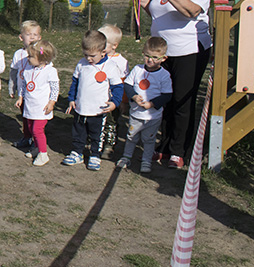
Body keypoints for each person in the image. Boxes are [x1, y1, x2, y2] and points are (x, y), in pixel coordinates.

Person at [132, 0, 212, 169]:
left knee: (181, 100)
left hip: (189, 51)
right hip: (163, 52)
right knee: (164, 97)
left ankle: (179, 150)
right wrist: (144, 0)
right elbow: (159, 13)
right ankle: (164, 146)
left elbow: (192, 11)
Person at [63, 30, 124, 171]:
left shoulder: (110, 67)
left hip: (98, 110)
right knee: (78, 132)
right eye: (85, 55)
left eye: (92, 56)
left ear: (103, 52)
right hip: (81, 108)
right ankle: (77, 152)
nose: (88, 59)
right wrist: (72, 99)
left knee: (97, 134)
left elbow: (118, 87)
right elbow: (75, 83)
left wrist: (115, 102)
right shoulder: (81, 64)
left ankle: (95, 155)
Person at [116, 37, 173, 173]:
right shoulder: (137, 69)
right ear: (143, 53)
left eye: (155, 57)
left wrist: (152, 104)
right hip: (136, 114)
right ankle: (126, 157)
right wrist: (134, 96)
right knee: (131, 137)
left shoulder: (164, 75)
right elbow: (128, 85)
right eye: (147, 56)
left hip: (152, 117)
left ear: (163, 58)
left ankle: (146, 161)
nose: (150, 60)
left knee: (149, 140)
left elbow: (167, 95)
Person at [15, 40, 59, 166]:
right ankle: (36, 148)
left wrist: (52, 102)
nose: (28, 58)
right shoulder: (28, 70)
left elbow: (55, 89)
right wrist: (20, 97)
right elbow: (24, 85)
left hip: (42, 107)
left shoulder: (50, 71)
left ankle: (43, 154)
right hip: (30, 106)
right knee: (30, 127)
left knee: (37, 130)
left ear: (42, 58)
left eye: (31, 56)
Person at [8, 20, 41, 148]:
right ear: (21, 37)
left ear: (39, 37)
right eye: (28, 34)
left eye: (35, 35)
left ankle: (36, 139)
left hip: (36, 93)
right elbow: (13, 71)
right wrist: (12, 87)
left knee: (35, 117)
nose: (32, 37)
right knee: (25, 116)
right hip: (23, 92)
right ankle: (27, 137)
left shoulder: (41, 52)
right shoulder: (18, 54)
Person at [98, 23, 129, 152]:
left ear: (114, 45)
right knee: (98, 120)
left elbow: (124, 82)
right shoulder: (97, 58)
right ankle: (97, 140)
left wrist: (123, 101)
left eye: (103, 43)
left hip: (113, 99)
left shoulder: (121, 62)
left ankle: (109, 144)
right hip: (99, 97)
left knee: (111, 122)